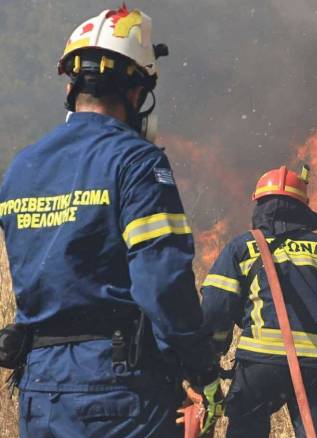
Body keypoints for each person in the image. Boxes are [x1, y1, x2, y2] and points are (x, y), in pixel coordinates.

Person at [0, 5, 216, 437]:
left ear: (71, 86)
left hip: (40, 390)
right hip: (119, 391)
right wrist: (201, 369)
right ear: (137, 92)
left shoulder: (20, 168)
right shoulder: (137, 161)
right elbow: (163, 284)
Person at [200, 164, 317, 437]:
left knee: (246, 428)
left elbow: (216, 307)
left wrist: (211, 355)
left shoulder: (243, 246)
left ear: (259, 204)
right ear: (303, 207)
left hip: (261, 362)